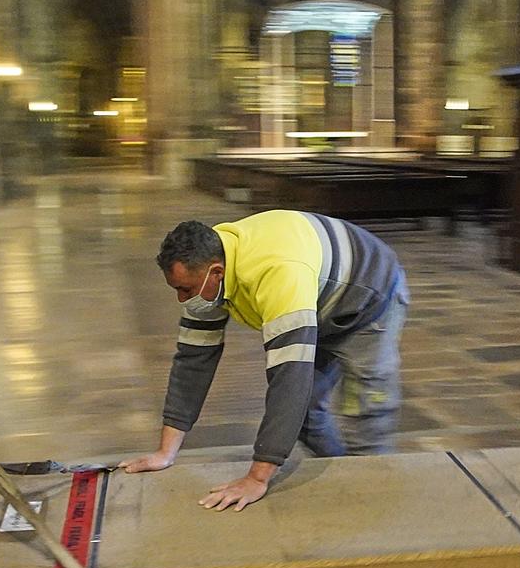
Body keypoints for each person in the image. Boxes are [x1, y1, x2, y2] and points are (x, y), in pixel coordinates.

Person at [122, 210, 409, 511]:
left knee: (367, 412)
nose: (182, 300)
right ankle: (342, 478)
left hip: (370, 302)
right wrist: (165, 452)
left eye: (185, 290)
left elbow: (289, 378)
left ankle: (373, 501)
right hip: (319, 302)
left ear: (216, 272)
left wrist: (258, 478)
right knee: (306, 415)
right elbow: (192, 363)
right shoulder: (208, 271)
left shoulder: (276, 272)